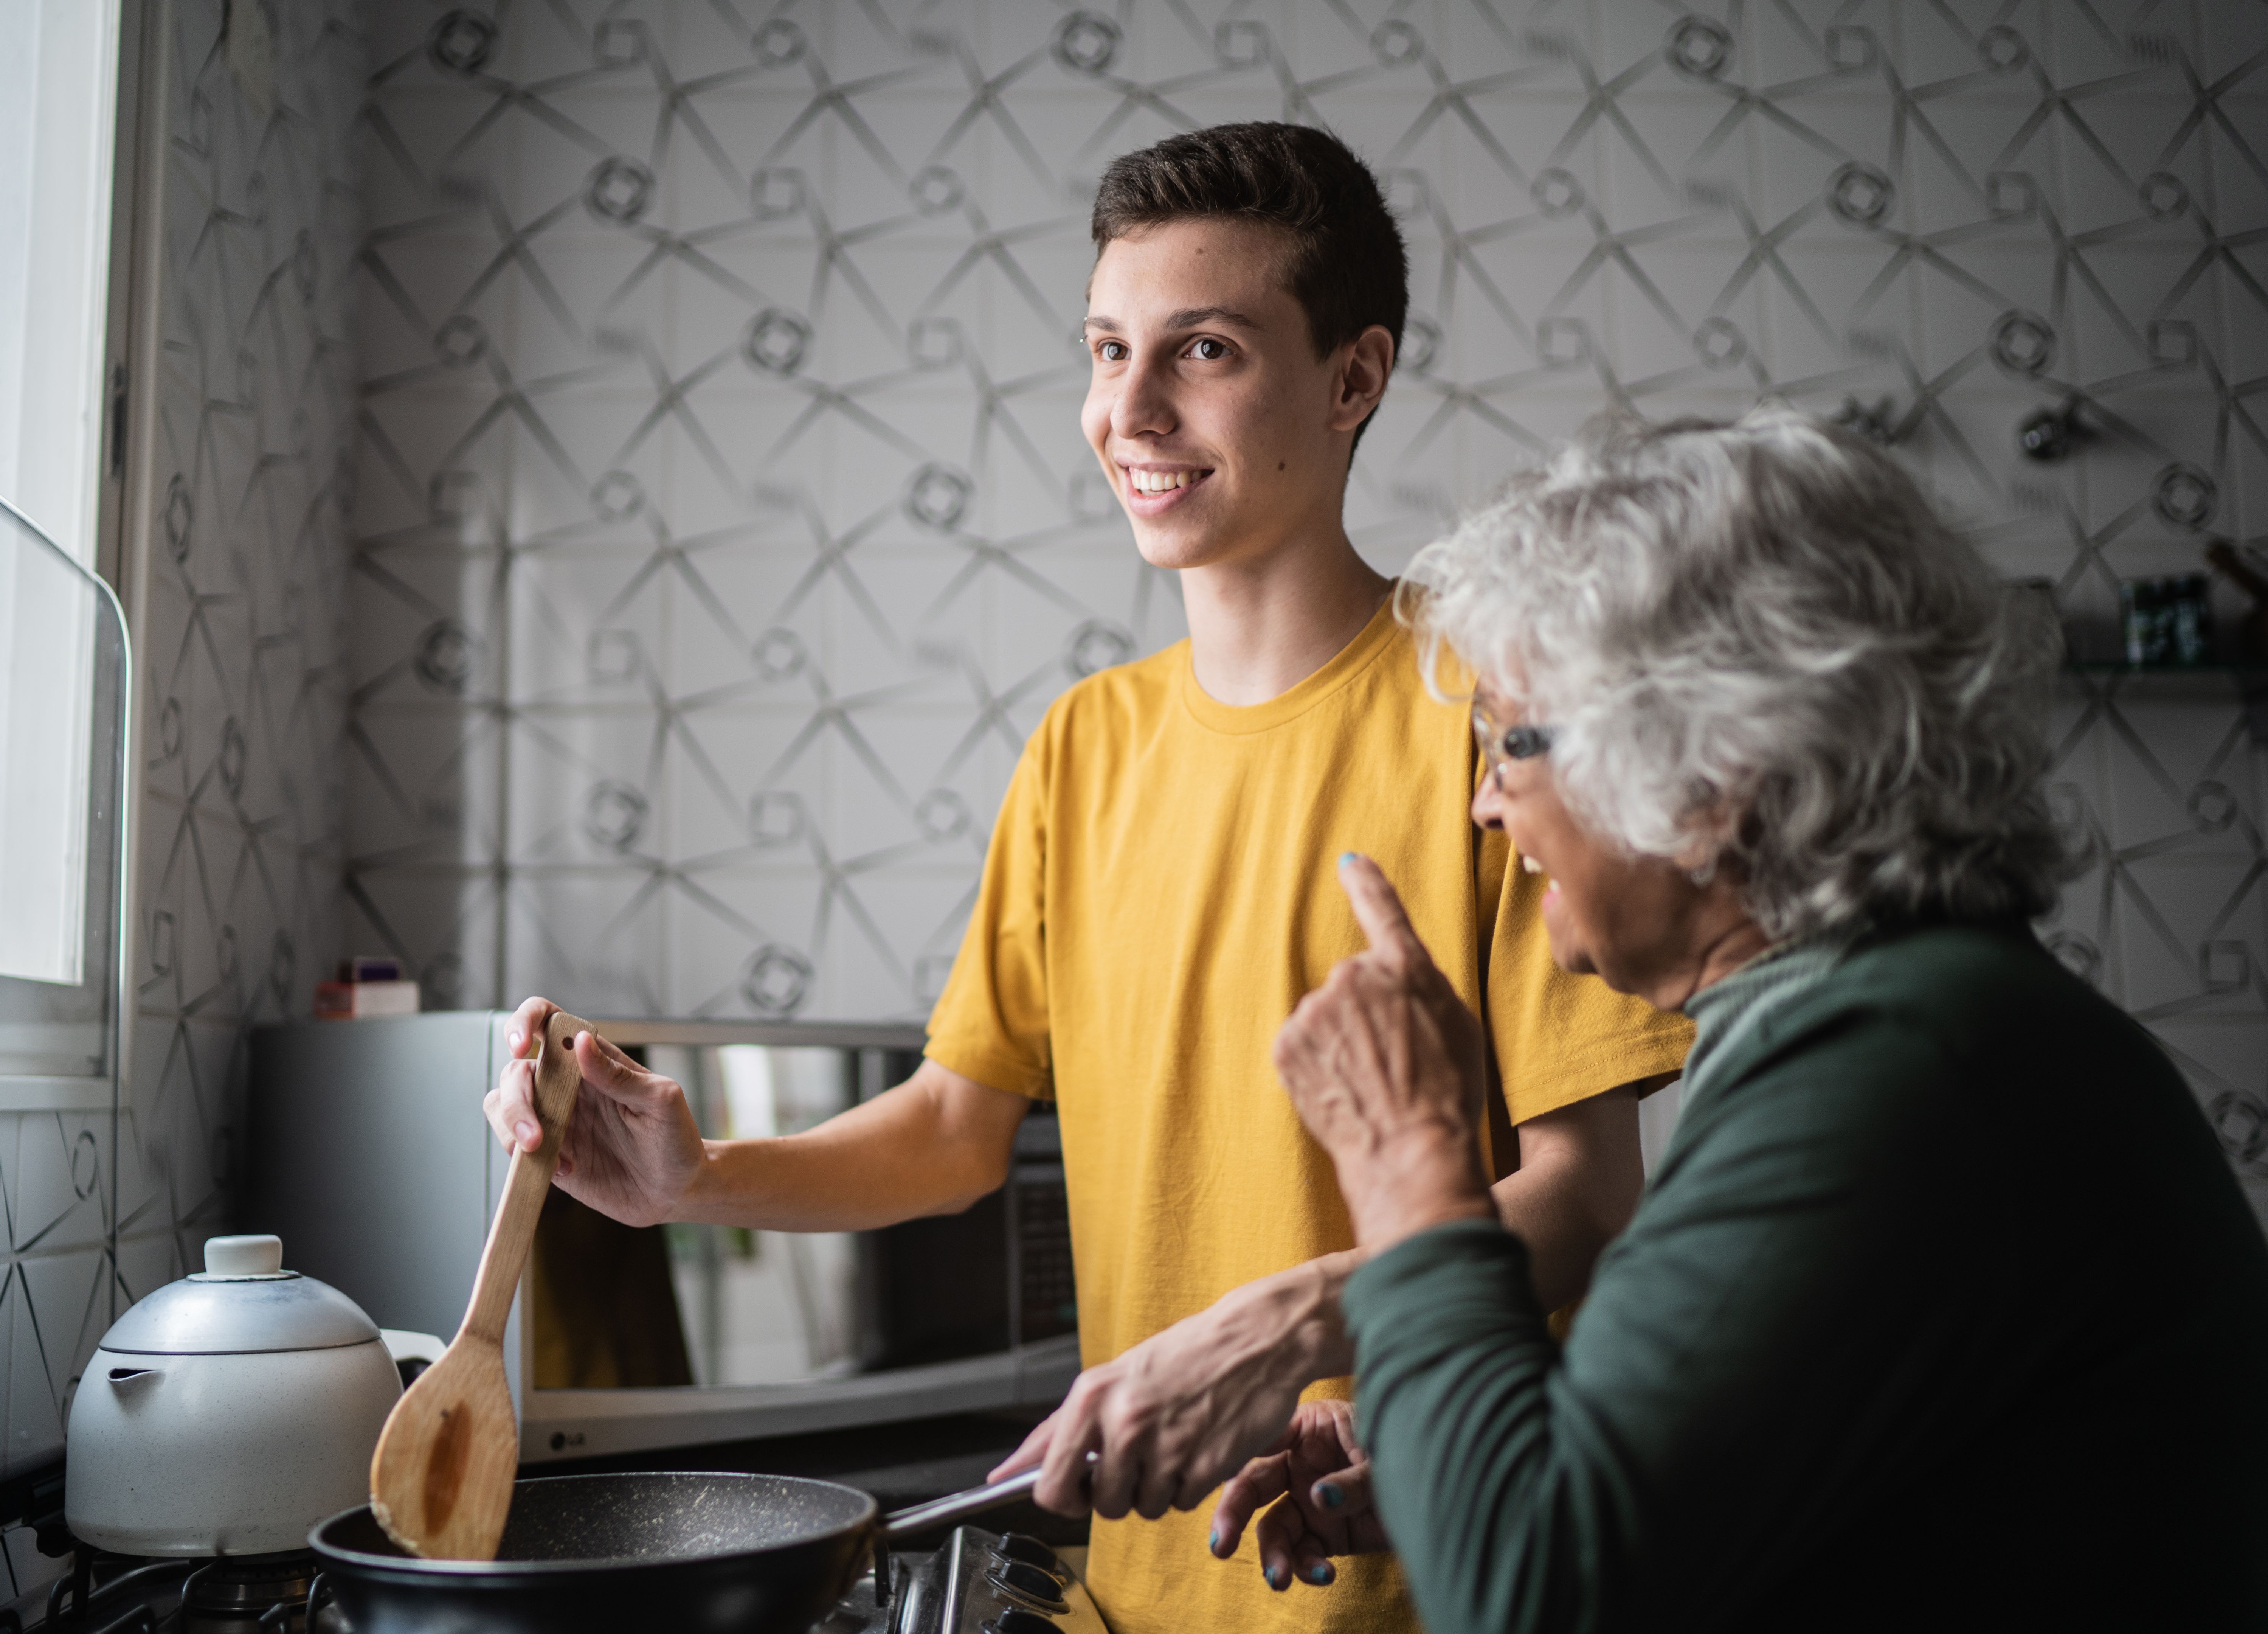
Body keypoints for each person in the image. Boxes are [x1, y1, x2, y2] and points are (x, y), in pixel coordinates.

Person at [484, 124, 1692, 1634]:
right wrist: (697, 1183)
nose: (1129, 408)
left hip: (1424, 1580)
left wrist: (1288, 1327)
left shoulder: (1485, 713)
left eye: (1202, 351)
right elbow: (951, 1131)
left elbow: (1583, 1197)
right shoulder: (1083, 746)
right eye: (1108, 347)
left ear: (1354, 378)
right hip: (1129, 1597)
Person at [1224, 407, 2268, 1629]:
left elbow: (1533, 1601)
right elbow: (1757, 1459)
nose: (1485, 809)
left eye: (1510, 745)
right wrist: (1455, 1456)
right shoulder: (1898, 1023)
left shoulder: (1901, 1071)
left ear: (1712, 776)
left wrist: (1411, 1154)